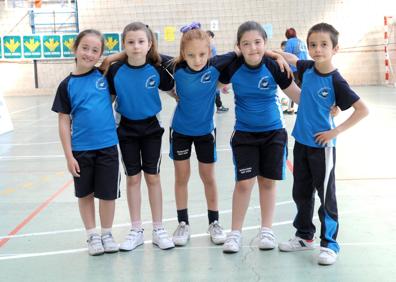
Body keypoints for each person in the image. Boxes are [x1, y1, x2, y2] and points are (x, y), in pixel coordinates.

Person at [276, 23, 369, 265]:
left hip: (323, 148)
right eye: (313, 45)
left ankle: (330, 244)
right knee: (301, 193)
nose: (318, 49)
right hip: (302, 143)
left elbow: (362, 110)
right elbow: (290, 57)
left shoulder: (337, 81)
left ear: (335, 48)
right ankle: (305, 236)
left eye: (324, 45)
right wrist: (263, 50)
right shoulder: (307, 68)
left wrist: (334, 131)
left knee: (325, 195)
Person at [219, 21, 301, 253]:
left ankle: (267, 230)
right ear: (238, 47)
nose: (253, 48)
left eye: (257, 42)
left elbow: (296, 95)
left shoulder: (274, 66)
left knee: (267, 182)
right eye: (246, 44)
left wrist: (324, 104)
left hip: (274, 133)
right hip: (245, 133)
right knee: (244, 183)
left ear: (265, 44)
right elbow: (214, 83)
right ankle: (235, 233)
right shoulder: (233, 66)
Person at [106, 22, 175, 251]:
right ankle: (136, 229)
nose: (136, 46)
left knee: (152, 177)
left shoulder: (156, 68)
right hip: (125, 130)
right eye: (131, 42)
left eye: (141, 41)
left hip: (151, 130)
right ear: (123, 44)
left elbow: (174, 93)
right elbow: (109, 100)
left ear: (149, 44)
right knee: (133, 178)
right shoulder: (115, 70)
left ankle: (158, 229)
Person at [52, 29, 120, 256]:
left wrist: (110, 58)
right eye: (85, 48)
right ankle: (92, 235)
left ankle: (107, 233)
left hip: (108, 147)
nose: (89, 54)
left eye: (95, 50)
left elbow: (124, 55)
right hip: (81, 150)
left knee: (108, 194)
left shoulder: (104, 76)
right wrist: (69, 156)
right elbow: (63, 122)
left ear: (101, 54)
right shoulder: (66, 85)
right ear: (75, 49)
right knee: (85, 194)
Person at [170, 23, 238, 246]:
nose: (197, 60)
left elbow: (240, 52)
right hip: (180, 131)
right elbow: (145, 52)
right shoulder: (176, 69)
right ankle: (183, 224)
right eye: (191, 55)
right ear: (183, 54)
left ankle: (214, 222)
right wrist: (112, 59)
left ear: (209, 53)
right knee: (182, 177)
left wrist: (274, 55)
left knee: (208, 177)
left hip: (205, 133)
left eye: (202, 54)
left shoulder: (215, 68)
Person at [283, 27, 308, 114]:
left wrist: (286, 68)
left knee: (291, 89)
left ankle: (290, 109)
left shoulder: (289, 42)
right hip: (304, 68)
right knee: (301, 89)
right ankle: (301, 108)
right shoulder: (301, 42)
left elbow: (286, 56)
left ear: (287, 35)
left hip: (295, 69)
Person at [206, 30, 229, 113]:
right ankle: (218, 107)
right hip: (209, 69)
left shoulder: (211, 45)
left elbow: (215, 58)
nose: (210, 38)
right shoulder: (208, 45)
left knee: (215, 89)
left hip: (213, 69)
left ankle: (219, 106)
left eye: (210, 37)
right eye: (208, 36)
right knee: (213, 89)